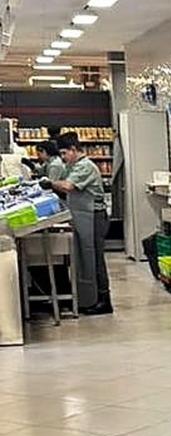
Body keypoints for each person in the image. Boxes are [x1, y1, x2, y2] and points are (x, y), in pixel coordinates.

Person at [46, 132, 112, 315]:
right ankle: (89, 298)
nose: (63, 157)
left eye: (64, 153)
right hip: (84, 216)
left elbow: (68, 186)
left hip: (94, 216)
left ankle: (103, 300)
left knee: (95, 258)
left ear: (74, 149)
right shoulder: (73, 165)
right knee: (85, 258)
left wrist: (50, 183)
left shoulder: (85, 166)